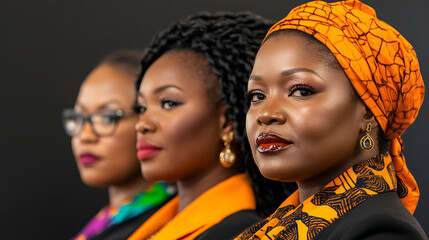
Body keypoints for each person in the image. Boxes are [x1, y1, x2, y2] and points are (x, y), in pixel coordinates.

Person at [236, 1, 428, 239]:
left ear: (369, 110)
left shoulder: (381, 231)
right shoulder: (280, 225)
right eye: (257, 95)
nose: (266, 114)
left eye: (301, 91)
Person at [129, 12, 296, 240]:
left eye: (168, 103)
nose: (142, 125)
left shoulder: (240, 232)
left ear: (226, 122)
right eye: (141, 108)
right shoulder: (150, 223)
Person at [62, 50, 174, 240]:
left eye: (107, 118)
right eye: (79, 117)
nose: (85, 135)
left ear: (146, 121)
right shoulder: (106, 222)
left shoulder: (168, 224)